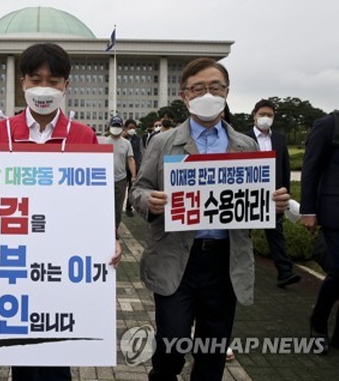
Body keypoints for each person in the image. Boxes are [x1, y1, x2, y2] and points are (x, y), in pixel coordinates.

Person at [0, 42, 122, 381]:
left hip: (61, 260)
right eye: (35, 79)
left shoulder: (83, 136)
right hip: (14, 257)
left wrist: (109, 239)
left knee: (59, 346)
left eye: (54, 80)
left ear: (66, 86)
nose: (44, 88)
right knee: (22, 349)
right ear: (22, 83)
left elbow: (96, 202)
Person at [131, 57, 289, 381]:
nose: (207, 94)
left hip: (224, 261)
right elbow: (139, 190)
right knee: (172, 343)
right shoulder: (163, 143)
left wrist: (273, 203)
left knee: (212, 350)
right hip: (176, 257)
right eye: (198, 88)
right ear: (184, 94)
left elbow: (257, 201)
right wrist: (149, 200)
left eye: (215, 87)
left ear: (227, 92)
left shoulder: (244, 146)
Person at [246, 99, 300, 287]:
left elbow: (284, 166)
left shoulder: (279, 138)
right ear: (254, 115)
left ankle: (285, 272)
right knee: (244, 233)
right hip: (249, 194)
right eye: (262, 114)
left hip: (273, 195)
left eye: (270, 115)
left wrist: (286, 193)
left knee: (276, 233)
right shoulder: (243, 138)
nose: (266, 118)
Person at [300, 110, 339, 354]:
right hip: (334, 211)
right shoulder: (328, 125)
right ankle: (318, 321)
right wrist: (308, 210)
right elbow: (310, 169)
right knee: (338, 271)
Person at [107, 115, 137, 230]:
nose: (116, 128)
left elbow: (130, 159)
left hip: (120, 179)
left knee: (118, 206)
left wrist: (133, 175)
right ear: (109, 126)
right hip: (105, 179)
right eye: (114, 125)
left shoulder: (126, 143)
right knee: (106, 205)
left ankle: (115, 228)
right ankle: (106, 228)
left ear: (122, 127)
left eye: (118, 126)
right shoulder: (104, 142)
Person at [123, 118, 142, 216]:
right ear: (125, 128)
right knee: (121, 188)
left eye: (134, 128)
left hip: (133, 167)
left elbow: (138, 153)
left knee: (131, 188)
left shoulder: (137, 139)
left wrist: (138, 166)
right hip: (122, 167)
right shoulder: (122, 139)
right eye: (130, 128)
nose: (132, 129)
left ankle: (128, 208)